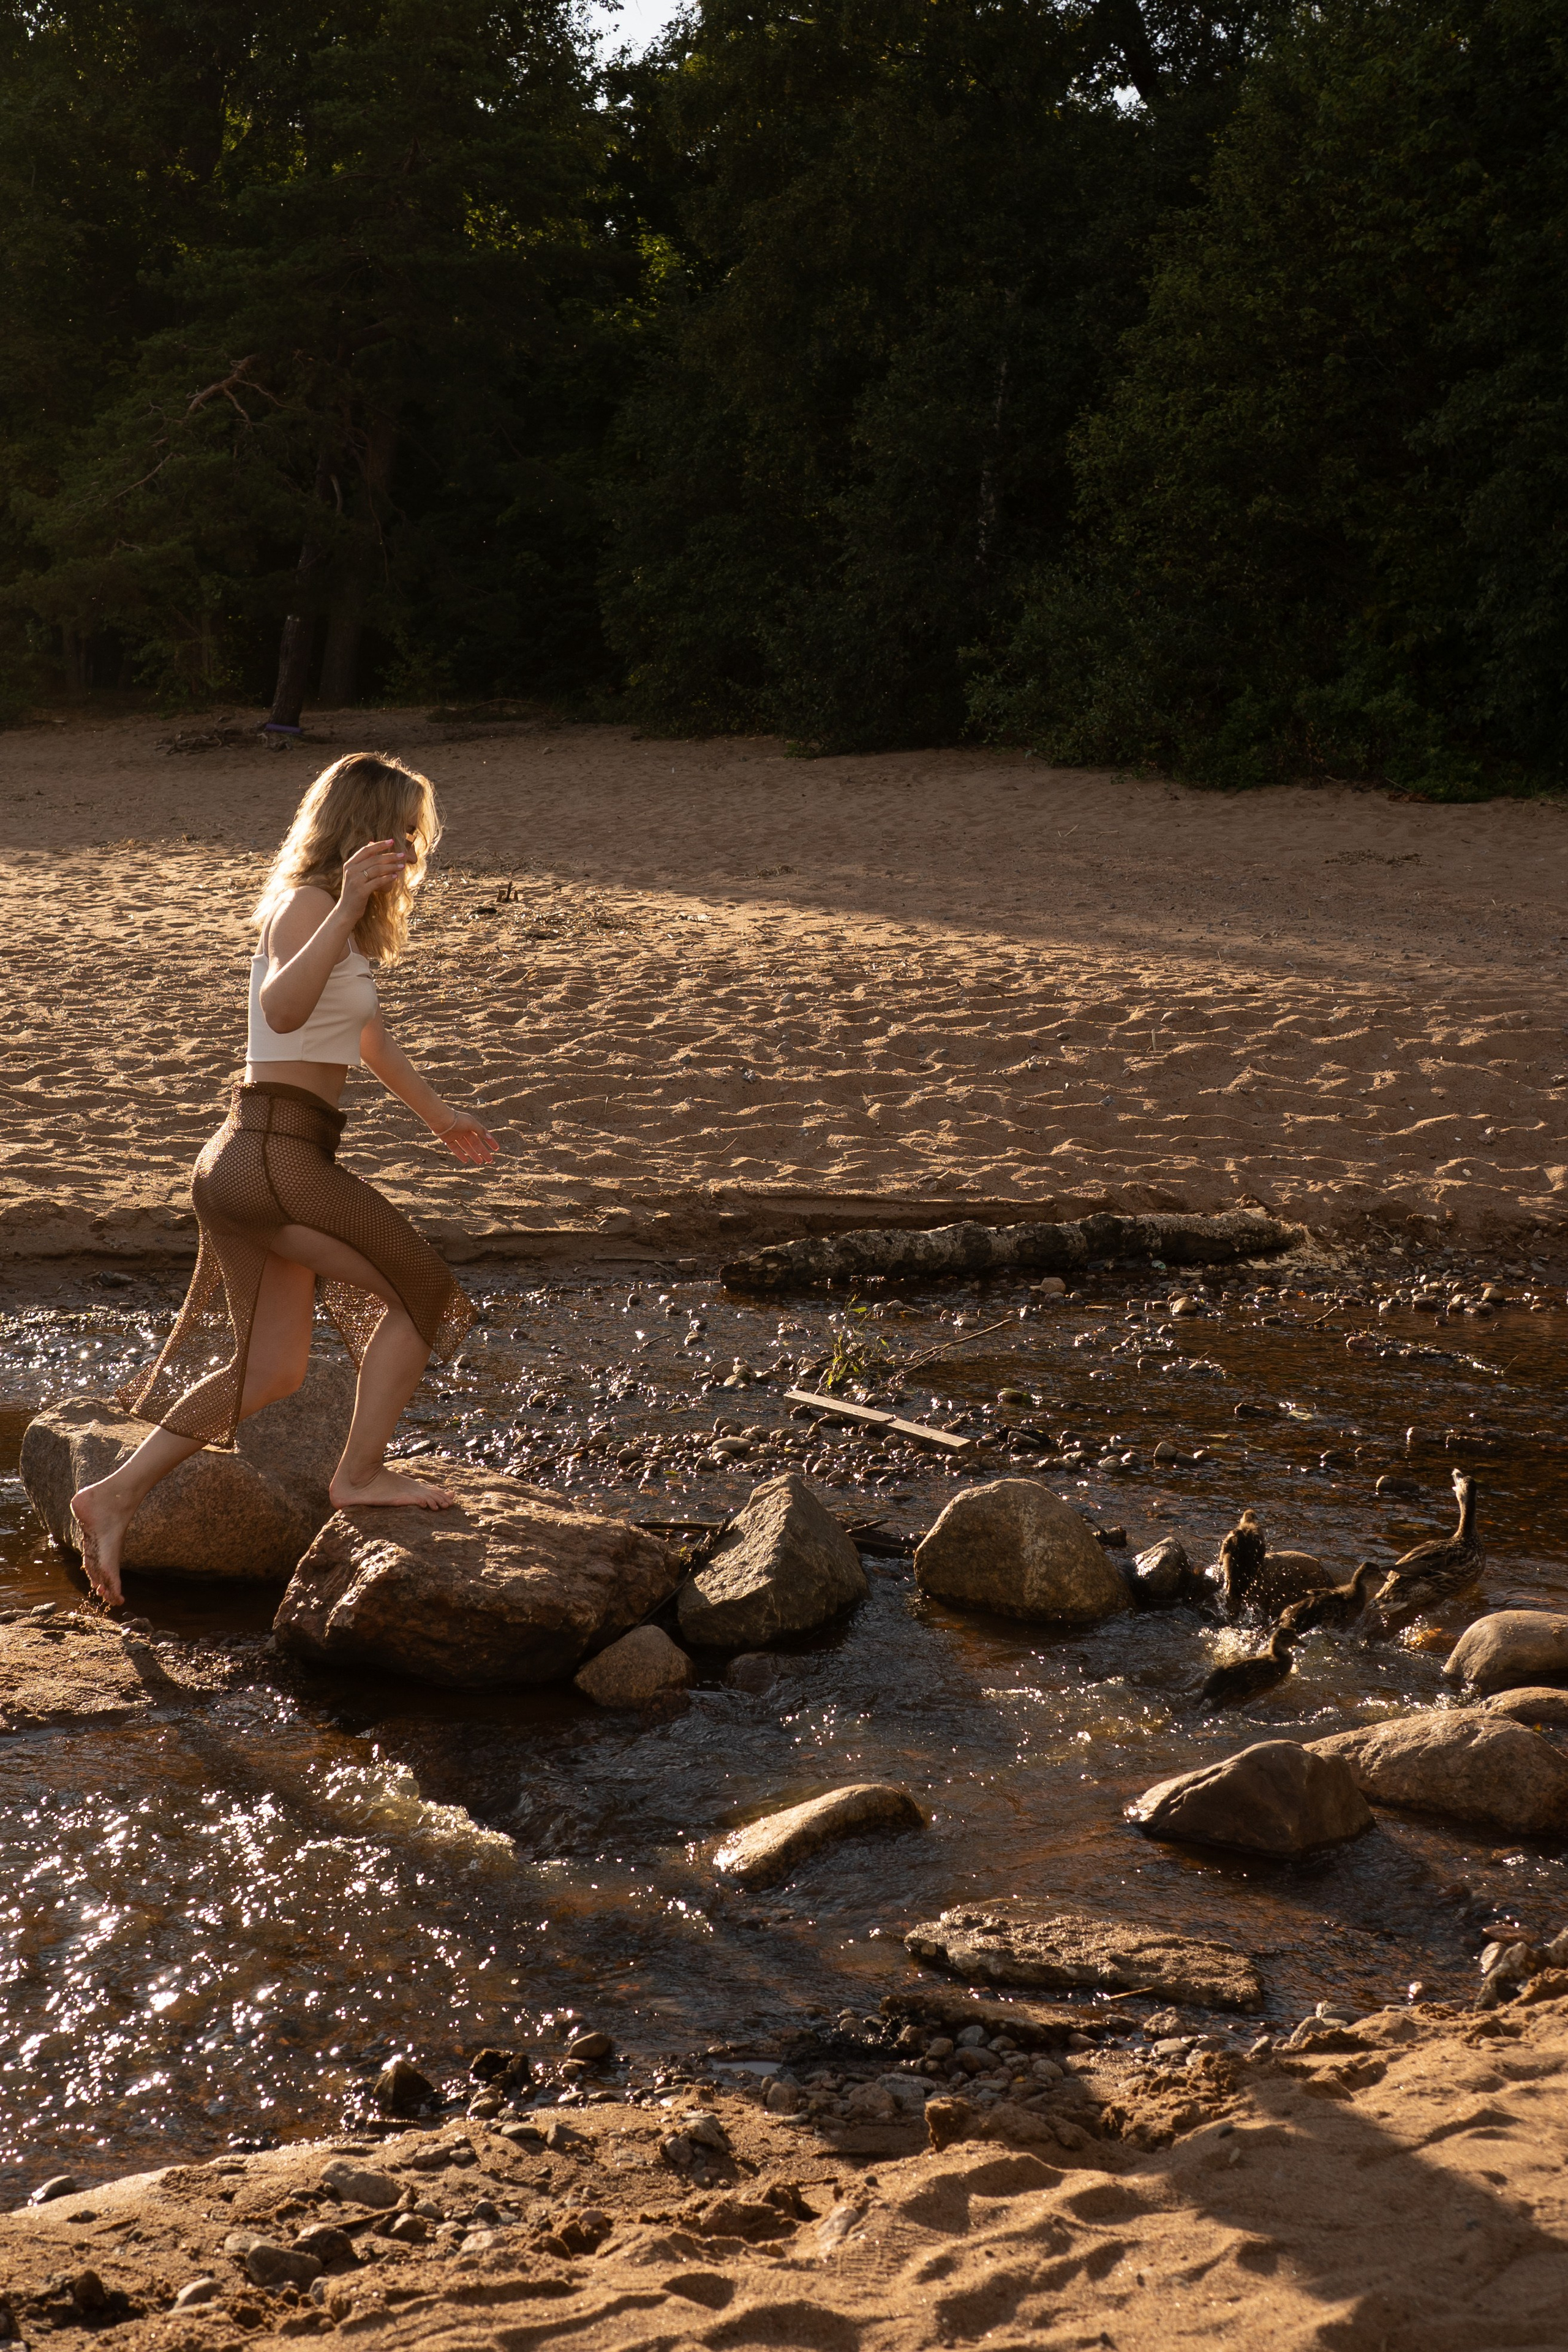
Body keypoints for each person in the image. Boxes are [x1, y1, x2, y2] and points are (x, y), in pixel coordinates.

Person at [70, 750, 497, 1606]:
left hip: (256, 1159)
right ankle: (359, 1475)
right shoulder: (310, 904)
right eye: (401, 833)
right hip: (272, 1157)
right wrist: (343, 903)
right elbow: (282, 1013)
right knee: (427, 1294)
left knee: (269, 1371)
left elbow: (365, 1040)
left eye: (416, 837)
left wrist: (441, 1117)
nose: (411, 852)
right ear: (360, 830)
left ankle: (110, 1493)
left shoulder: (335, 920)